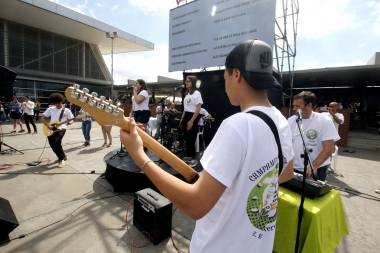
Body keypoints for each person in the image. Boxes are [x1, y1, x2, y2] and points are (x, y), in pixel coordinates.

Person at [120, 39, 294, 252]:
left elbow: (196, 205)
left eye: (225, 77)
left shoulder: (238, 125)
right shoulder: (281, 121)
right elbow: (285, 174)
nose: (225, 83)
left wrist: (139, 156)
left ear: (236, 74)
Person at [288, 91, 340, 181]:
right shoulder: (291, 120)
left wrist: (314, 166)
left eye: (297, 106)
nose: (294, 109)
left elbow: (328, 147)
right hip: (294, 167)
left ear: (309, 105)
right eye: (294, 106)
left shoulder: (324, 121)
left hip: (316, 169)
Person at [41, 93, 74, 168]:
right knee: (52, 144)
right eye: (55, 103)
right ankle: (62, 155)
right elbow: (42, 118)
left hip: (62, 128)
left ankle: (61, 159)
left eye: (58, 102)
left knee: (57, 142)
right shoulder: (50, 109)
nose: (57, 104)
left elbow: (71, 120)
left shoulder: (67, 110)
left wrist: (70, 122)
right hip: (52, 128)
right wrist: (48, 125)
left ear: (61, 101)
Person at [179, 75, 203, 167]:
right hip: (187, 115)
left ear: (192, 82)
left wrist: (192, 120)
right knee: (187, 137)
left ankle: (194, 158)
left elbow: (198, 108)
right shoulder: (187, 94)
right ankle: (189, 156)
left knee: (191, 137)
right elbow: (185, 109)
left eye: (188, 81)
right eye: (186, 81)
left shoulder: (197, 94)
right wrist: (182, 119)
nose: (186, 83)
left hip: (193, 115)